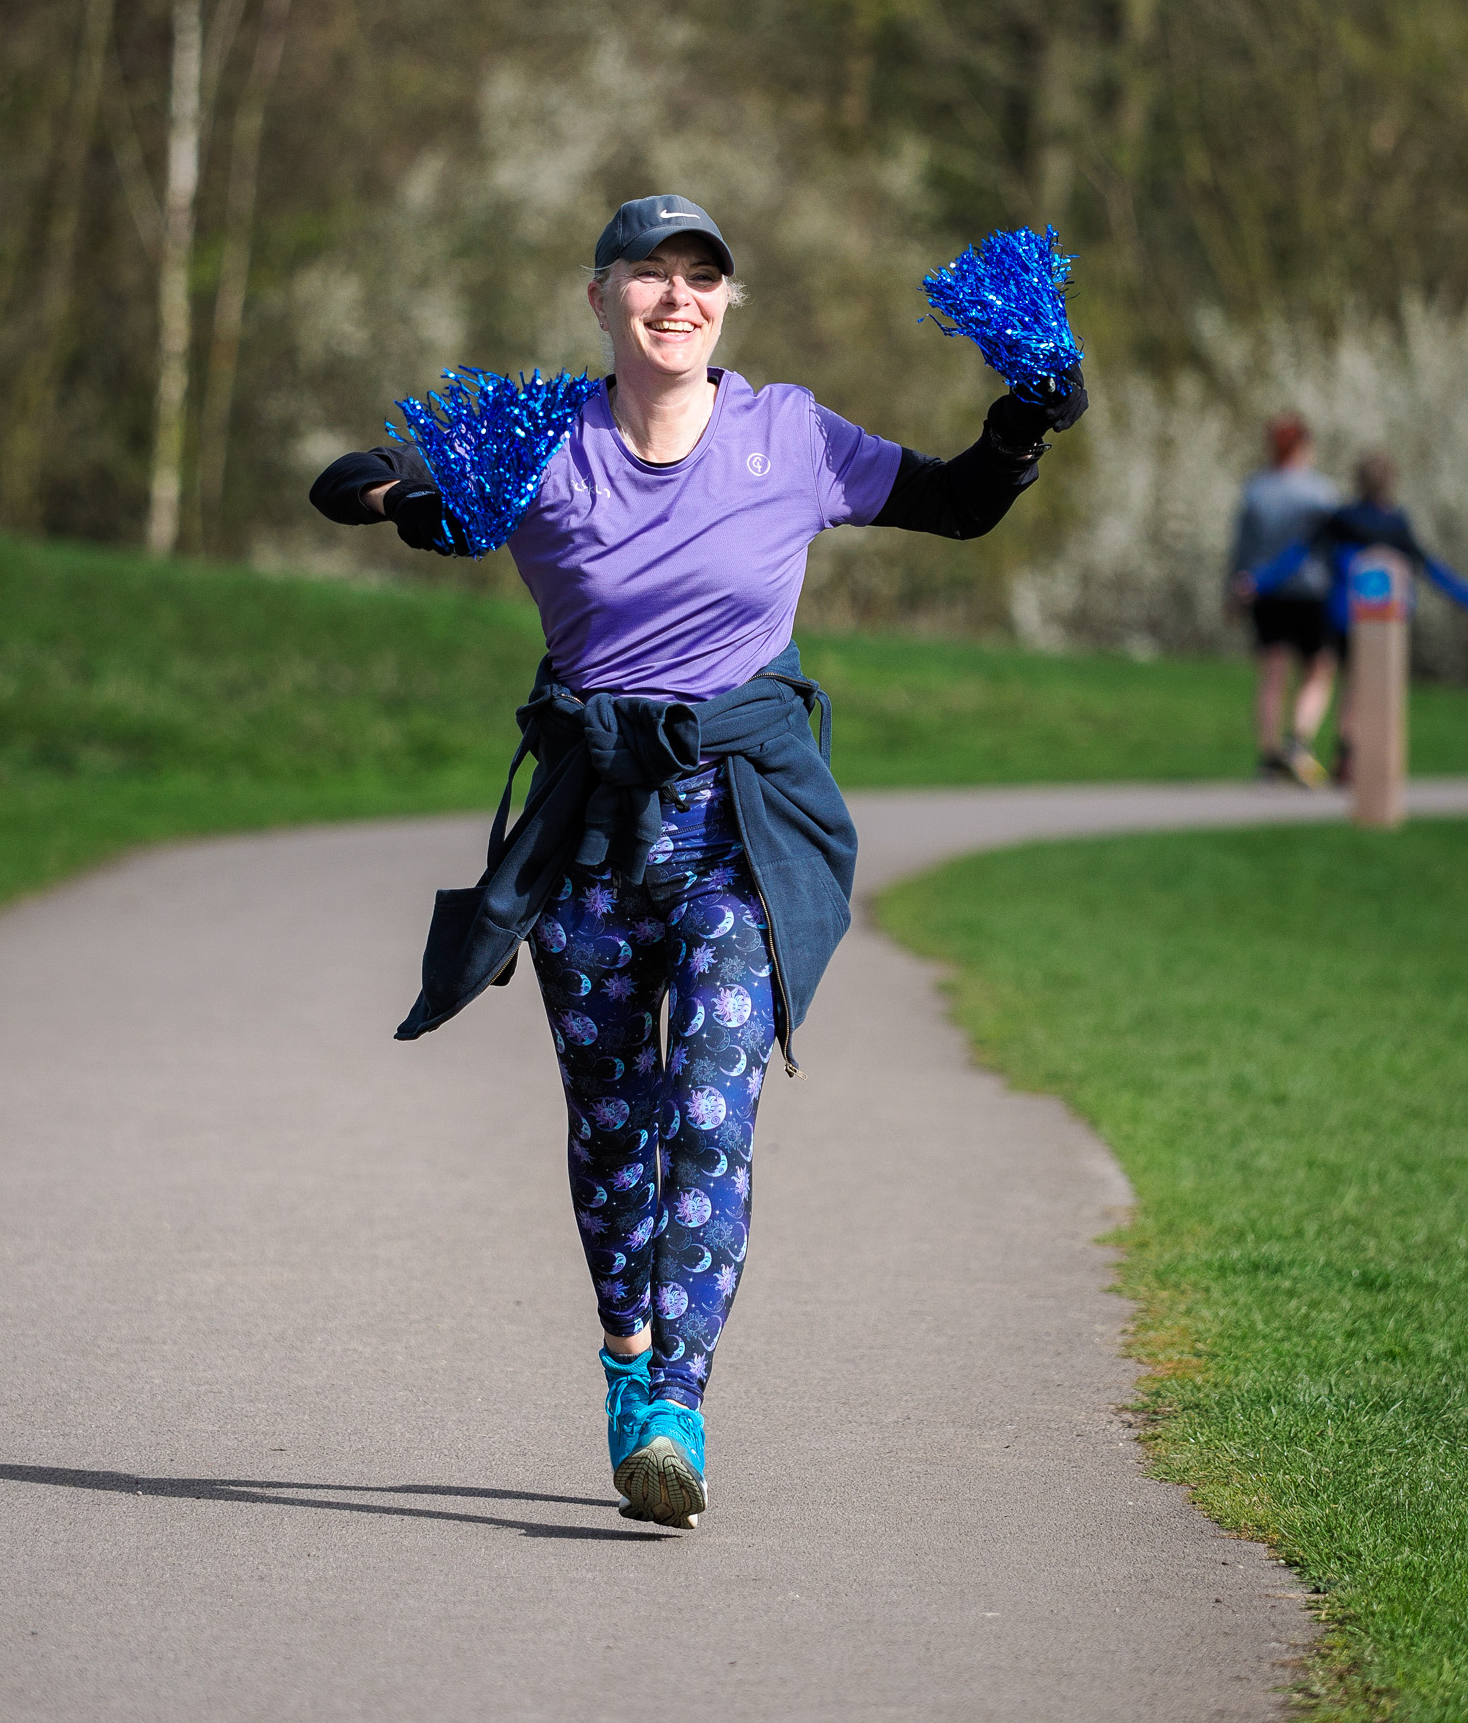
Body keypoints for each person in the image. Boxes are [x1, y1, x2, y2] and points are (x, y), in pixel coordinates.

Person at [309, 193, 1087, 1529]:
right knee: (614, 1130)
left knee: (713, 1106)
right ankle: (626, 1358)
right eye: (649, 275)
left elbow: (958, 506)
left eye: (702, 278)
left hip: (738, 823)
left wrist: (1023, 422)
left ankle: (678, 1404)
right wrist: (415, 496)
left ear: (727, 303)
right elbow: (344, 479)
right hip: (591, 835)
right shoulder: (540, 435)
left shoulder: (790, 435)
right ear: (603, 298)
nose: (678, 297)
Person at [1243, 451, 1468, 783]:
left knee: (1321, 674)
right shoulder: (1396, 524)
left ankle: (1299, 739)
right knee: (1357, 685)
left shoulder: (1340, 519)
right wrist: (1462, 595)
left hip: (1338, 612)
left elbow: (1297, 555)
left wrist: (1259, 581)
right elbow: (1429, 566)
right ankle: (1347, 752)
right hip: (1381, 618)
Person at [1227, 413, 1341, 785]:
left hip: (1264, 591)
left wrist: (1233, 589)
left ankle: (1269, 755)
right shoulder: (1322, 493)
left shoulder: (1256, 489)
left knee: (1272, 674)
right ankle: (1298, 741)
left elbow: (1241, 547)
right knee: (1319, 668)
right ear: (1304, 445)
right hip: (1311, 591)